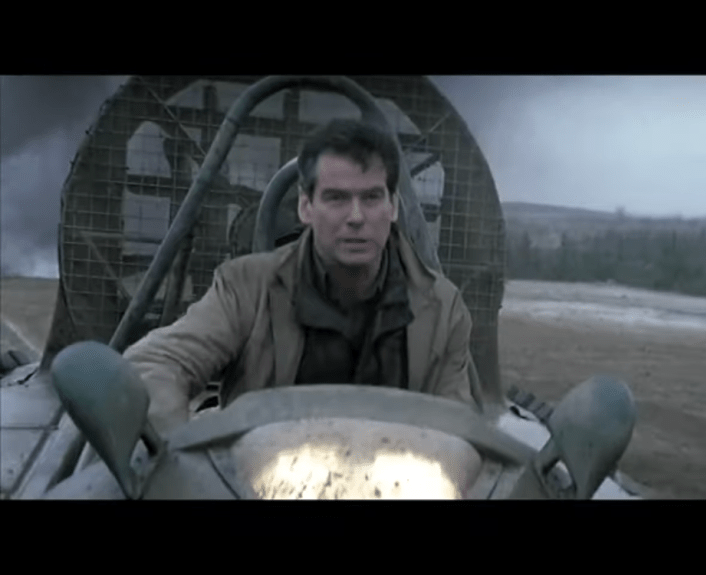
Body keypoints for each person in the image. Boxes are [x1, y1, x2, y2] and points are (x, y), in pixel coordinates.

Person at [124, 118, 479, 434]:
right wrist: (175, 456)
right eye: (337, 198)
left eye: (372, 197)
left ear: (394, 206)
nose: (356, 217)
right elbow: (154, 363)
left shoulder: (443, 308)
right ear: (306, 207)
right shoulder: (246, 287)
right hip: (262, 477)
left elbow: (459, 429)